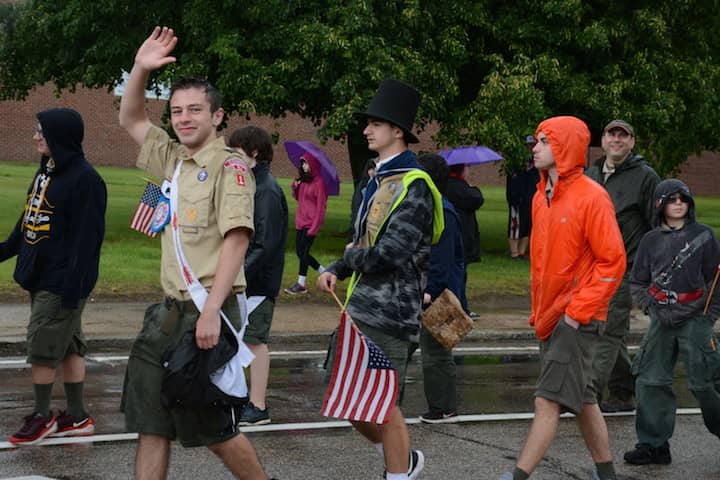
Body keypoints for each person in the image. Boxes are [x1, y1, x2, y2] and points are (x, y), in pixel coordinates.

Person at [118, 26, 268, 479]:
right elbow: (131, 118)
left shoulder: (232, 167)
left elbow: (237, 239)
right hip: (165, 313)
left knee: (213, 429)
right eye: (177, 111)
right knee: (150, 423)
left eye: (195, 111)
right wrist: (141, 70)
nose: (183, 119)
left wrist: (211, 312)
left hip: (208, 309)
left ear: (217, 117)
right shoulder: (172, 158)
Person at [317, 79, 444, 480]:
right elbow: (363, 241)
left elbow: (390, 253)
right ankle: (402, 456)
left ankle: (397, 472)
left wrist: (352, 257)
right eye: (368, 123)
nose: (367, 130)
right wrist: (339, 267)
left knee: (383, 404)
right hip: (360, 305)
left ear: (398, 131)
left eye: (376, 123)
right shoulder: (377, 180)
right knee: (348, 398)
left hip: (391, 311)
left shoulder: (415, 184)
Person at [499, 116, 626, 480]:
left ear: (565, 147)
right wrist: (540, 312)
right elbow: (541, 263)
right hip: (551, 317)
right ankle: (607, 475)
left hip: (577, 319)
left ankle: (517, 476)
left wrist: (576, 312)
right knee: (585, 400)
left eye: (542, 141)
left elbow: (612, 262)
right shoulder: (541, 197)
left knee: (547, 398)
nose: (534, 148)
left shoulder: (593, 196)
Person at [1, 108, 106, 445]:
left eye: (41, 132)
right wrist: (6, 249)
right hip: (41, 273)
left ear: (59, 136)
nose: (35, 136)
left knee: (42, 348)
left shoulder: (85, 180)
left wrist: (71, 290)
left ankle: (41, 416)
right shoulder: (48, 169)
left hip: (61, 283)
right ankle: (77, 417)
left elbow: (87, 241)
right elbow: (30, 216)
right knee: (69, 348)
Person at [623, 179, 720, 466]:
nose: (678, 203)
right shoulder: (650, 240)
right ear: (659, 204)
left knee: (707, 383)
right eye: (672, 199)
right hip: (661, 320)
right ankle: (654, 445)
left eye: (683, 199)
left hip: (696, 317)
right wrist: (649, 305)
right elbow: (638, 280)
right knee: (650, 379)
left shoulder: (704, 235)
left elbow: (715, 280)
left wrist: (709, 315)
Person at [586, 119, 661, 413]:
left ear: (632, 142)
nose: (616, 139)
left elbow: (656, 225)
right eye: (611, 134)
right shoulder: (591, 173)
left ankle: (587, 393)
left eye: (623, 135)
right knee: (602, 328)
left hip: (625, 266)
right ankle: (623, 390)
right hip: (591, 267)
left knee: (610, 328)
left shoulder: (646, 177)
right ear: (602, 141)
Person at [228, 126, 288, 426]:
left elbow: (265, 243)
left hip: (259, 282)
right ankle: (244, 400)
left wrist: (235, 273)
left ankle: (258, 404)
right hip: (250, 279)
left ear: (254, 153)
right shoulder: (255, 184)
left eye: (237, 152)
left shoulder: (266, 190)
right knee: (244, 340)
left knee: (255, 342)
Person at [416, 153, 465, 424]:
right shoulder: (432, 208)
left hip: (440, 294)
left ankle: (443, 406)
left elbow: (442, 258)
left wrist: (430, 290)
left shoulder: (442, 211)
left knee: (436, 351)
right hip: (430, 289)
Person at [284, 152, 328, 295]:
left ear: (313, 164)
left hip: (311, 223)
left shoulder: (319, 183)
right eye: (302, 163)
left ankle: (301, 284)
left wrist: (314, 227)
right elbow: (299, 199)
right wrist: (295, 187)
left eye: (306, 163)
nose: (303, 166)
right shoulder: (304, 181)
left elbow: (321, 207)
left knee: (303, 253)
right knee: (299, 252)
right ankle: (324, 271)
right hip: (300, 222)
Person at [444, 163, 484, 315]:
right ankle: (460, 307)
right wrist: (472, 187)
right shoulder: (459, 187)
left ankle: (462, 306)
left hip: (454, 233)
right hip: (463, 234)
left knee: (458, 273)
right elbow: (477, 199)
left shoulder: (447, 185)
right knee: (459, 273)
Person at [506, 135, 539, 260]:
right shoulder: (515, 164)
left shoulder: (536, 163)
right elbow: (513, 183)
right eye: (528, 145)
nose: (530, 148)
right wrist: (514, 197)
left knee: (528, 225)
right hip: (517, 199)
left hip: (531, 198)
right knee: (515, 225)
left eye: (532, 145)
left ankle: (521, 252)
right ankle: (514, 253)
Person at [348, 158, 377, 241]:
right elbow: (356, 203)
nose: (372, 171)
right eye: (370, 169)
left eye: (374, 169)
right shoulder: (362, 185)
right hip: (360, 218)